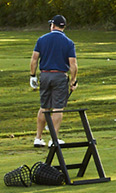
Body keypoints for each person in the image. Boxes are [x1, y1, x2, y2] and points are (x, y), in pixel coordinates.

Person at [29, 14, 79, 146]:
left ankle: (38, 138)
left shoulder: (42, 39)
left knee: (44, 107)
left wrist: (32, 76)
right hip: (60, 76)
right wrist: (73, 81)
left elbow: (34, 60)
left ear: (53, 25)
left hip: (45, 75)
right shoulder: (68, 42)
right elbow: (73, 65)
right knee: (58, 108)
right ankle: (54, 139)